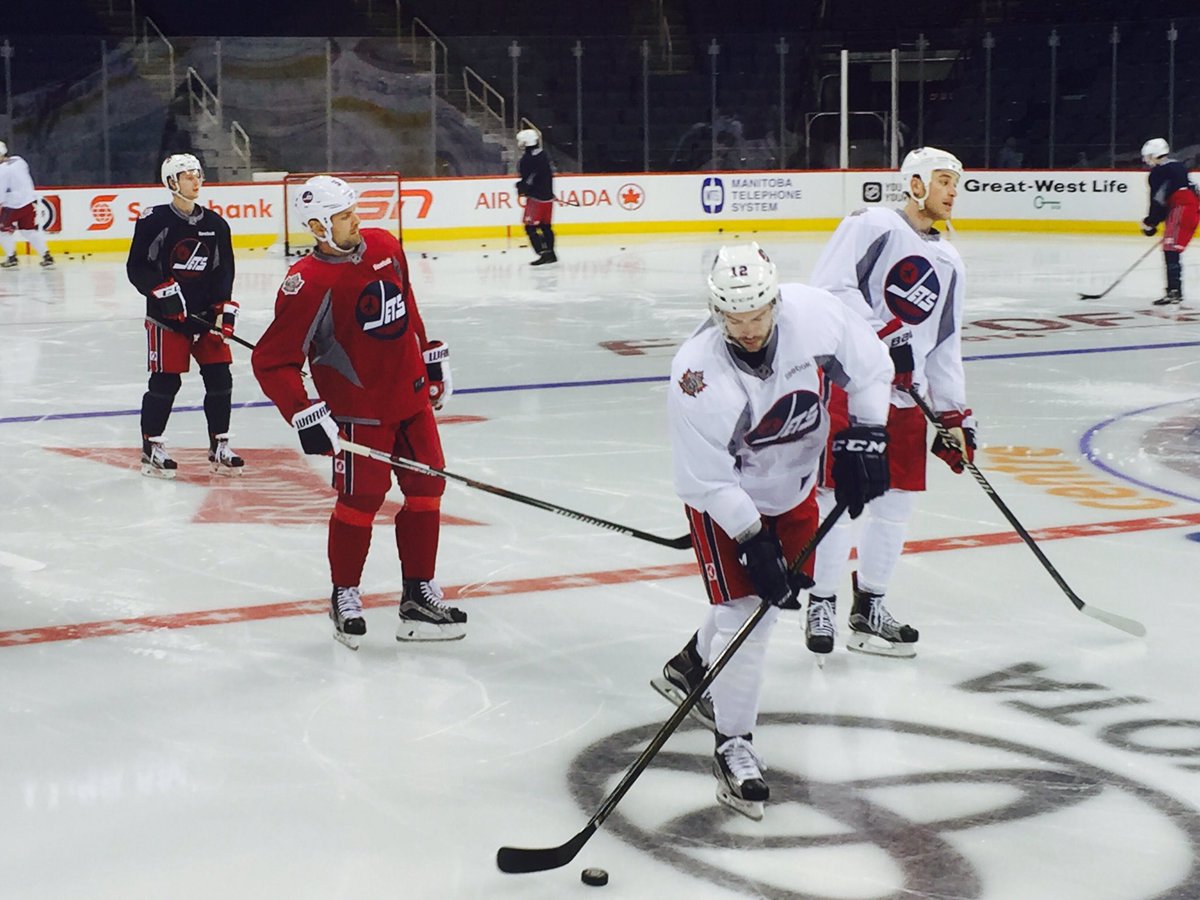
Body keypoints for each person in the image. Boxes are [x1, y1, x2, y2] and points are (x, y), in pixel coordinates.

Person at [655, 242, 892, 819]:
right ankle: (733, 746)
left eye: (758, 314)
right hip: (727, 500)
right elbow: (704, 479)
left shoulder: (814, 315)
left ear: (776, 300)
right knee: (750, 618)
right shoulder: (696, 373)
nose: (750, 328)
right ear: (716, 312)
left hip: (797, 487)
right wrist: (750, 536)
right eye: (735, 318)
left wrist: (870, 435)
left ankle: (690, 665)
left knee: (762, 603)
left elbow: (872, 368)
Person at [251, 175, 463, 650]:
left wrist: (428, 356)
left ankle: (417, 596)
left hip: (410, 400)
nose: (357, 220)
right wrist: (303, 412)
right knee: (361, 501)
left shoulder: (385, 245)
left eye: (354, 210)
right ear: (319, 226)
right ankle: (344, 593)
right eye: (345, 216)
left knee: (428, 489)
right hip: (359, 414)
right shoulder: (307, 284)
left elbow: (405, 303)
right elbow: (271, 360)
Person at [804, 146, 973, 660]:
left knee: (896, 508)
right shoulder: (871, 224)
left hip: (905, 399)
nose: (952, 191)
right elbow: (828, 289)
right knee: (837, 500)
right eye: (944, 180)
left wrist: (954, 415)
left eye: (955, 183)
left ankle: (869, 607)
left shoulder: (949, 260)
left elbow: (944, 345)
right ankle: (822, 602)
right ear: (916, 184)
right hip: (851, 387)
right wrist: (888, 334)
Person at [126, 153, 243, 478]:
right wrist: (163, 294)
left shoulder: (216, 225)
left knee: (220, 378)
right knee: (165, 382)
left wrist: (223, 309)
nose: (196, 180)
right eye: (187, 175)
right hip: (168, 320)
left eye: (198, 174)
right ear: (171, 182)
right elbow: (137, 267)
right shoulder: (155, 220)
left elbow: (223, 271)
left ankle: (219, 444)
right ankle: (152, 448)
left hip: (205, 317)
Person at [1139, 137, 1199, 306]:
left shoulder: (1158, 172)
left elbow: (1158, 200)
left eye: (1148, 156)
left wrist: (1151, 222)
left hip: (1181, 209)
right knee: (1171, 248)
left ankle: (1174, 292)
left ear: (1154, 155)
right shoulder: (1179, 166)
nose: (1146, 160)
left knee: (1170, 249)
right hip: (1190, 209)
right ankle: (1174, 291)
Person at [0, 142, 54, 269]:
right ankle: (46, 255)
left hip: (12, 206)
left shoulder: (2, 171)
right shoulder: (19, 160)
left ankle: (11, 257)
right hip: (28, 201)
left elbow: (0, 192)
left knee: (2, 231)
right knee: (28, 231)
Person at [515, 129, 556, 266]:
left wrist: (521, 188)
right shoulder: (543, 154)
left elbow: (529, 179)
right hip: (548, 197)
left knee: (530, 227)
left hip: (536, 198)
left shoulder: (527, 159)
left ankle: (543, 254)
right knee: (546, 226)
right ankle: (551, 252)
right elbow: (544, 175)